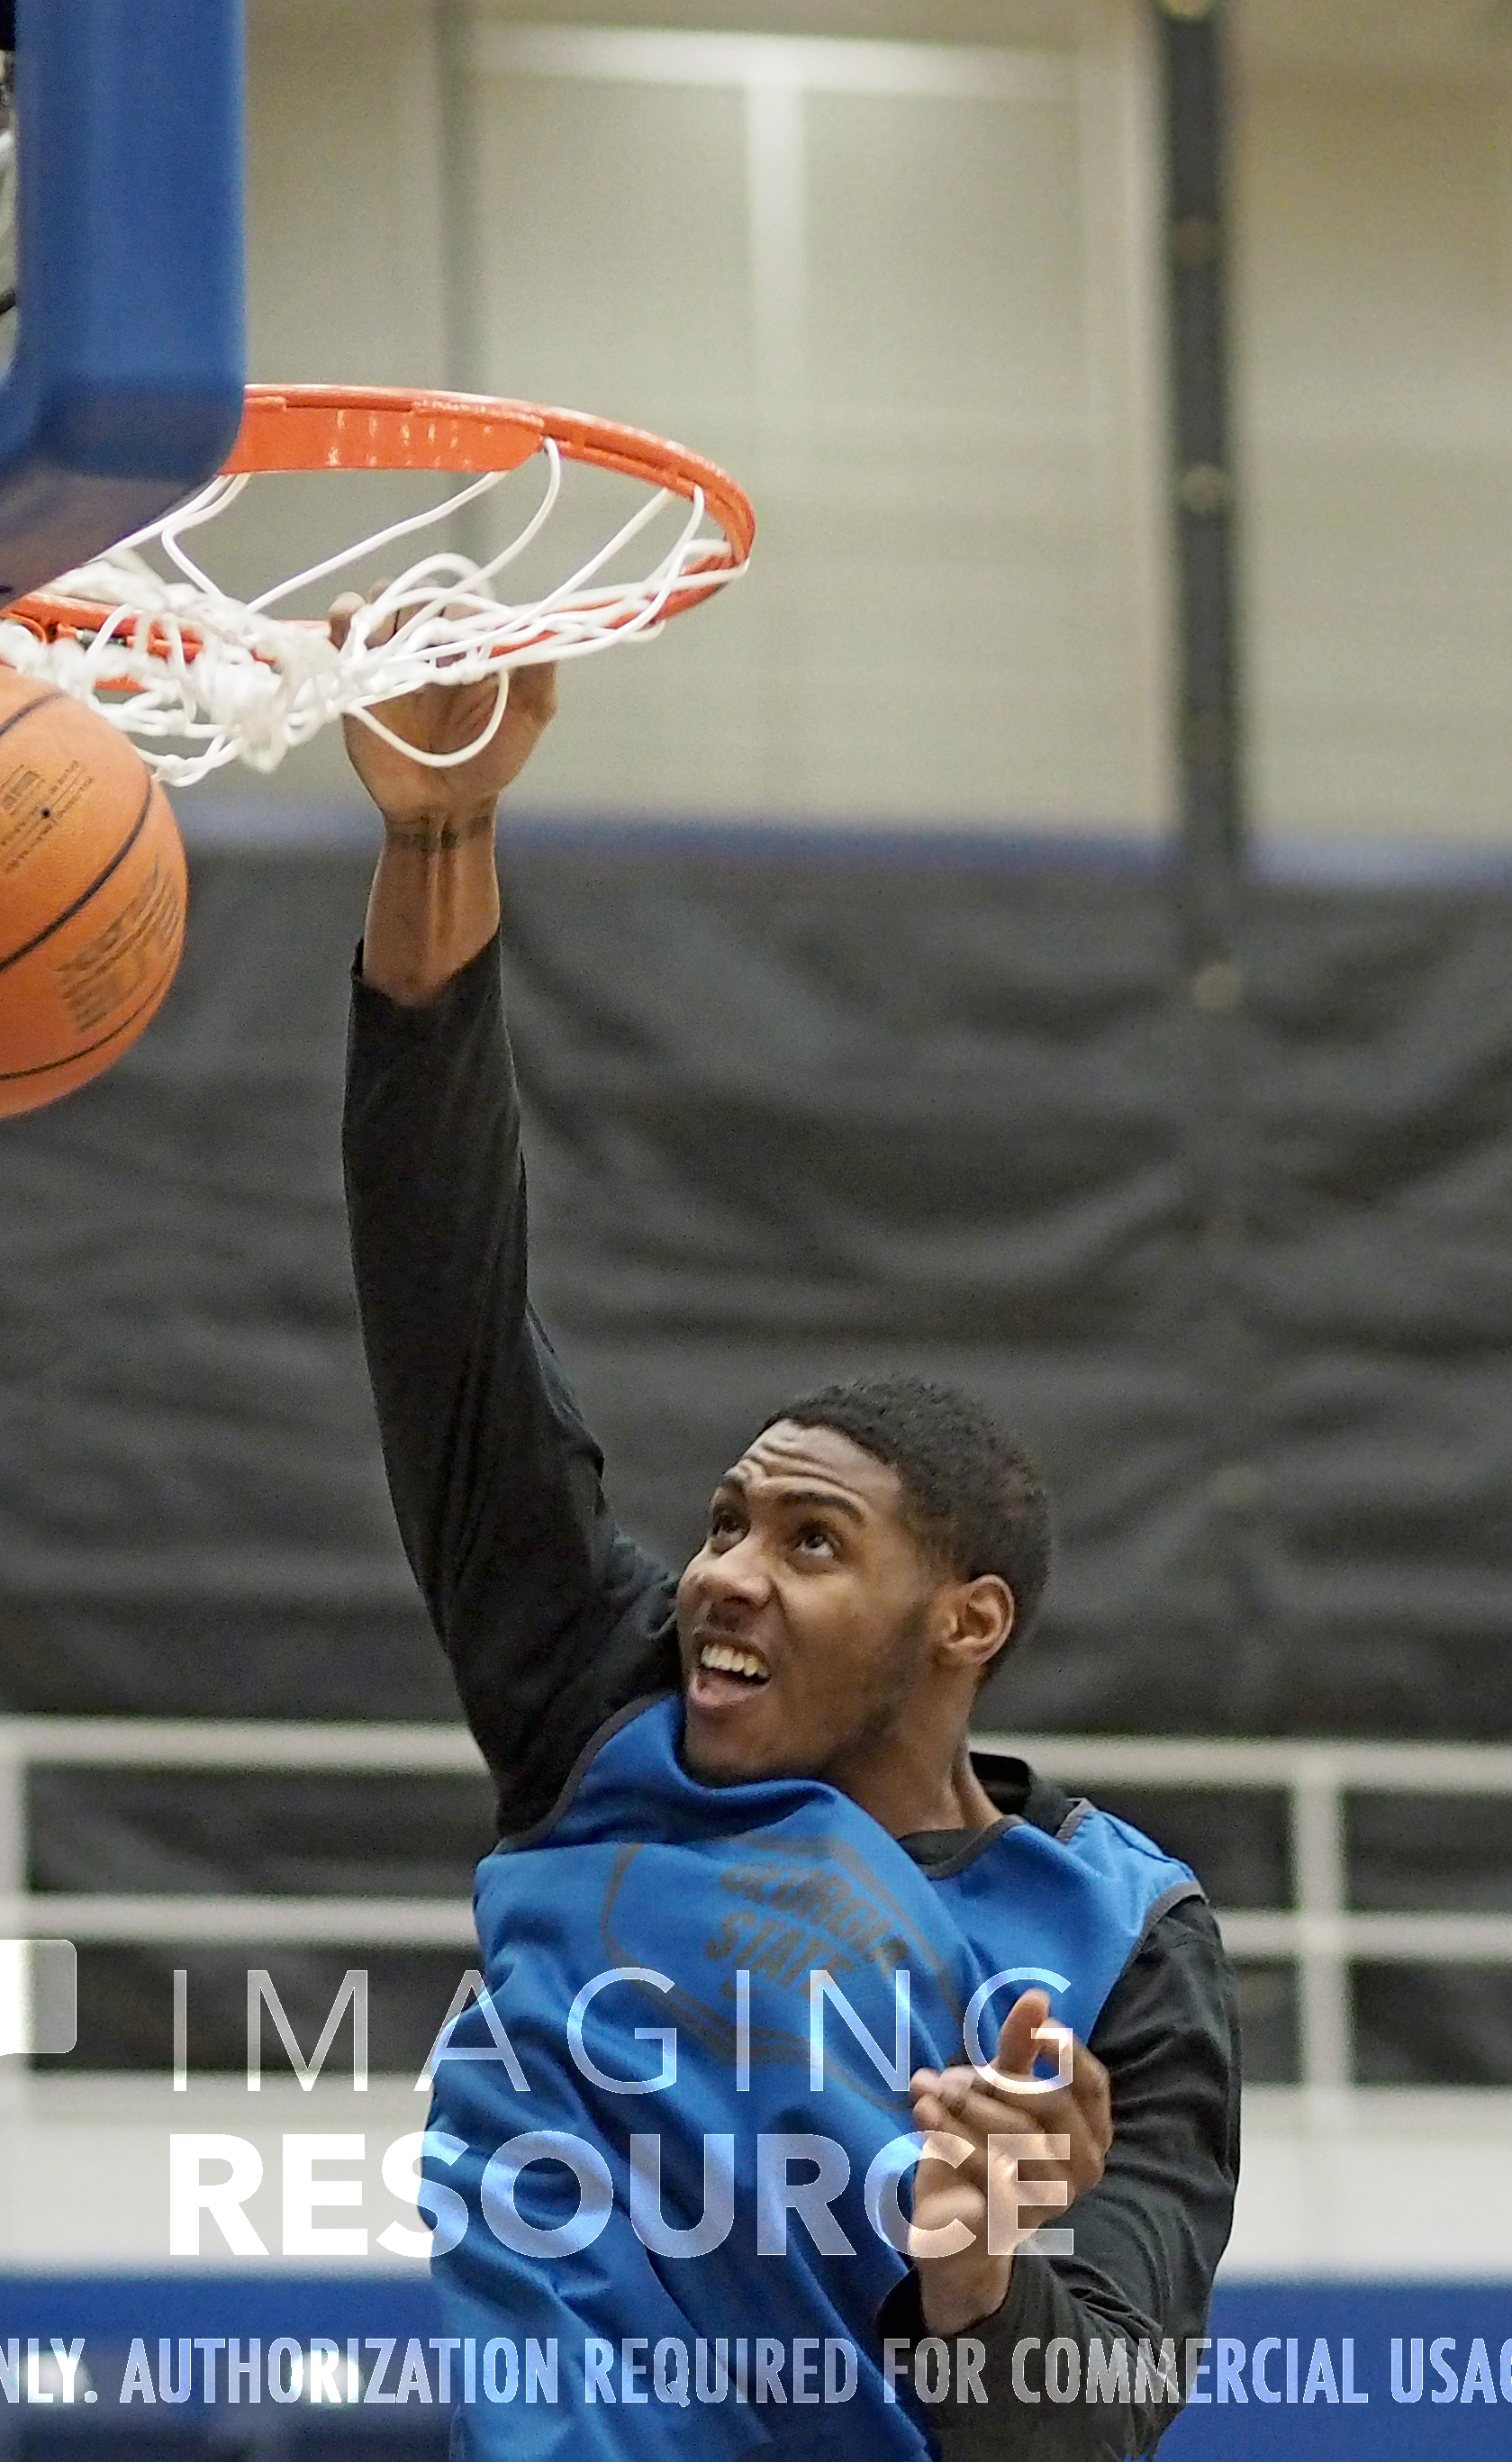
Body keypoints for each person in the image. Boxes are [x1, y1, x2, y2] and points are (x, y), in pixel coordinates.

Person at [333, 607, 1240, 2462]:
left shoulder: (1117, 1940)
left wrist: (979, 2270)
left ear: (966, 1619)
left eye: (813, 1542)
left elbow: (1090, 2428)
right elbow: (444, 1303)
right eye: (729, 1518)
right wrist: (439, 837)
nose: (726, 1570)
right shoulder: (605, 1705)